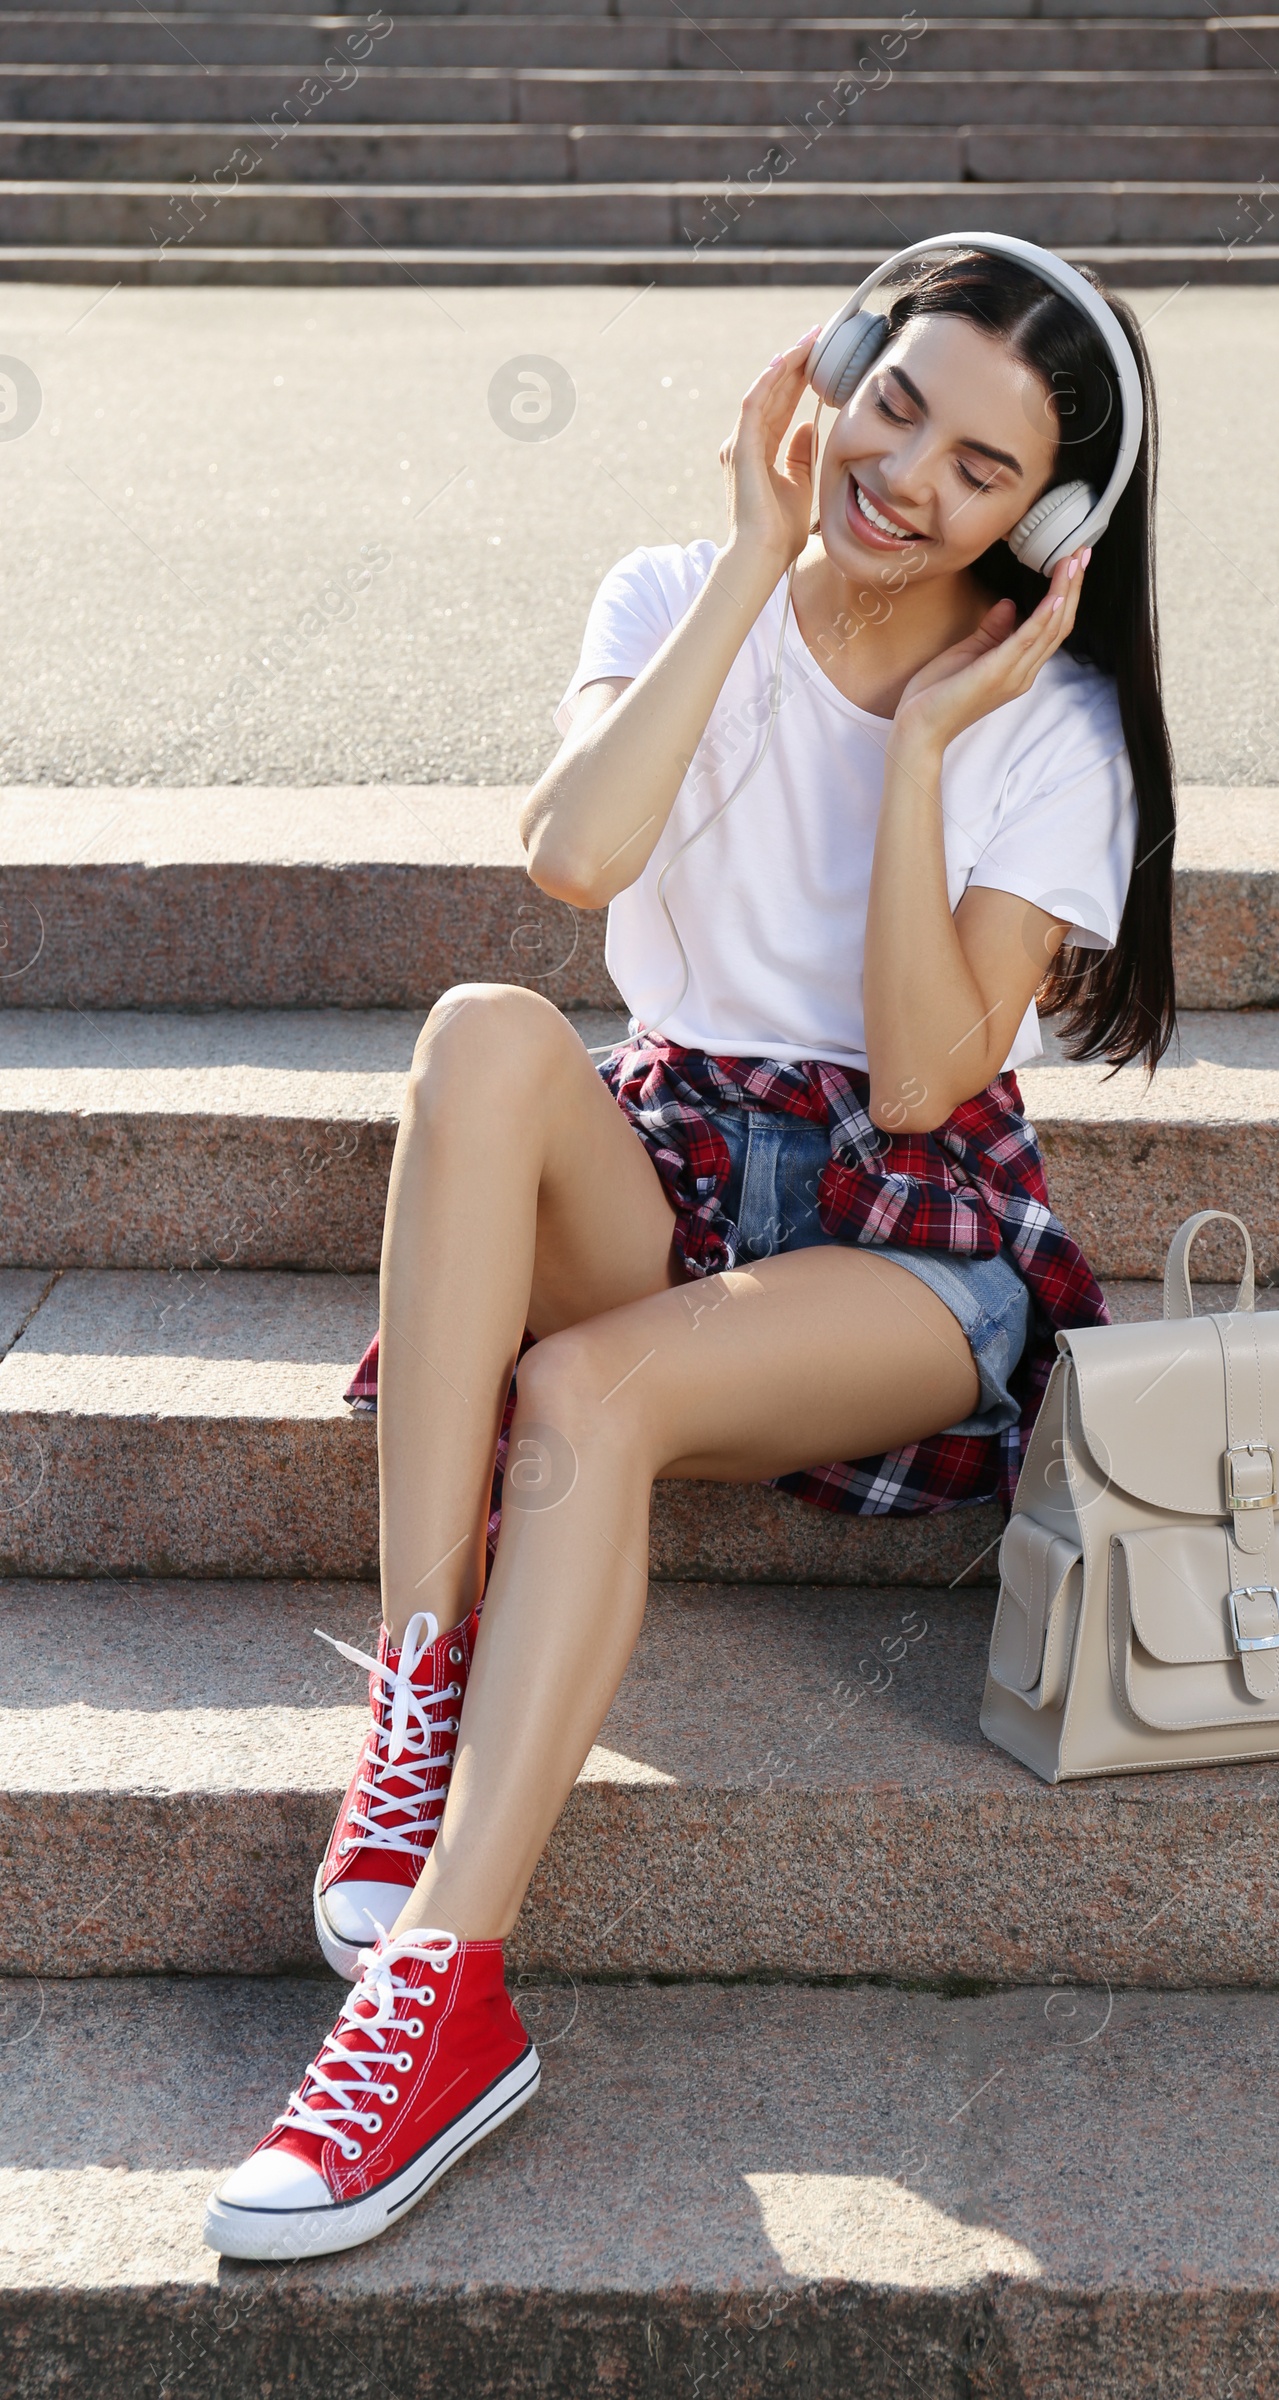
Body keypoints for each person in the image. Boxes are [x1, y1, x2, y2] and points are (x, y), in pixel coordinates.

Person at [202, 239, 1177, 2261]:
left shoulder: (1046, 726)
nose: (902, 471)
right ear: (833, 362)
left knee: (579, 1387)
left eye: (978, 467)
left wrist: (919, 745)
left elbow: (918, 1081)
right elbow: (570, 861)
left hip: (904, 1245)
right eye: (891, 398)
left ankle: (442, 2002)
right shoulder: (668, 594)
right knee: (483, 1030)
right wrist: (753, 563)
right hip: (672, 1156)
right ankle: (418, 1692)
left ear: (1049, 522)